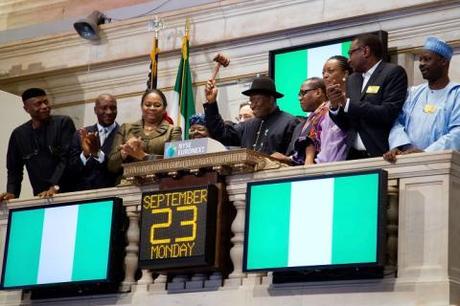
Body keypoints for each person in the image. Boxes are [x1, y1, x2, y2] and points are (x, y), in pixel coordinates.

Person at [328, 34, 408, 159]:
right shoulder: (352, 80)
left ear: (365, 51)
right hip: (352, 156)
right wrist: (334, 106)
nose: (348, 60)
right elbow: (347, 125)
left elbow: (388, 112)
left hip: (381, 154)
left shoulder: (393, 72)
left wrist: (348, 104)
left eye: (351, 53)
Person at [384, 37, 460, 162]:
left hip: (440, 164)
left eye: (427, 59)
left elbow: (457, 133)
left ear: (444, 62)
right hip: (407, 161)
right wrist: (398, 147)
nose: (422, 64)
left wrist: (426, 153)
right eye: (420, 59)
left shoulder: (456, 93)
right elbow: (397, 123)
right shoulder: (413, 93)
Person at [0, 88, 76, 201]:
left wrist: (54, 186)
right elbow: (14, 170)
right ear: (26, 109)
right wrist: (12, 194)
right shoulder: (19, 134)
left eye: (46, 101)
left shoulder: (63, 123)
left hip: (69, 192)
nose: (44, 106)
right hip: (40, 197)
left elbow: (67, 159)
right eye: (38, 104)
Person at [204, 76, 299, 155]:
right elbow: (223, 135)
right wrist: (211, 102)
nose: (252, 106)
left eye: (256, 100)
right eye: (251, 101)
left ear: (271, 99)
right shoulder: (247, 125)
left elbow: (295, 157)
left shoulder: (290, 123)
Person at [108, 89, 182, 173]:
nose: (152, 108)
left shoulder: (172, 131)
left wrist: (143, 156)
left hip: (160, 183)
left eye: (157, 105)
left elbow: (174, 163)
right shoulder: (126, 128)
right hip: (128, 183)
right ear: (141, 106)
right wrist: (125, 151)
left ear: (164, 109)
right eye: (147, 105)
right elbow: (111, 166)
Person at [271, 77, 328, 165]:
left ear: (318, 92)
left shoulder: (330, 114)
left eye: (303, 93)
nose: (300, 98)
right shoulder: (300, 125)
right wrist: (286, 159)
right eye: (299, 94)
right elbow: (296, 155)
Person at [68, 94, 119, 191]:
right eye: (104, 108)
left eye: (113, 108)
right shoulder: (80, 135)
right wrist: (85, 154)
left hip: (112, 193)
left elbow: (119, 169)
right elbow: (71, 171)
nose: (109, 112)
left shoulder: (123, 134)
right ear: (95, 110)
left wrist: (98, 154)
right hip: (84, 195)